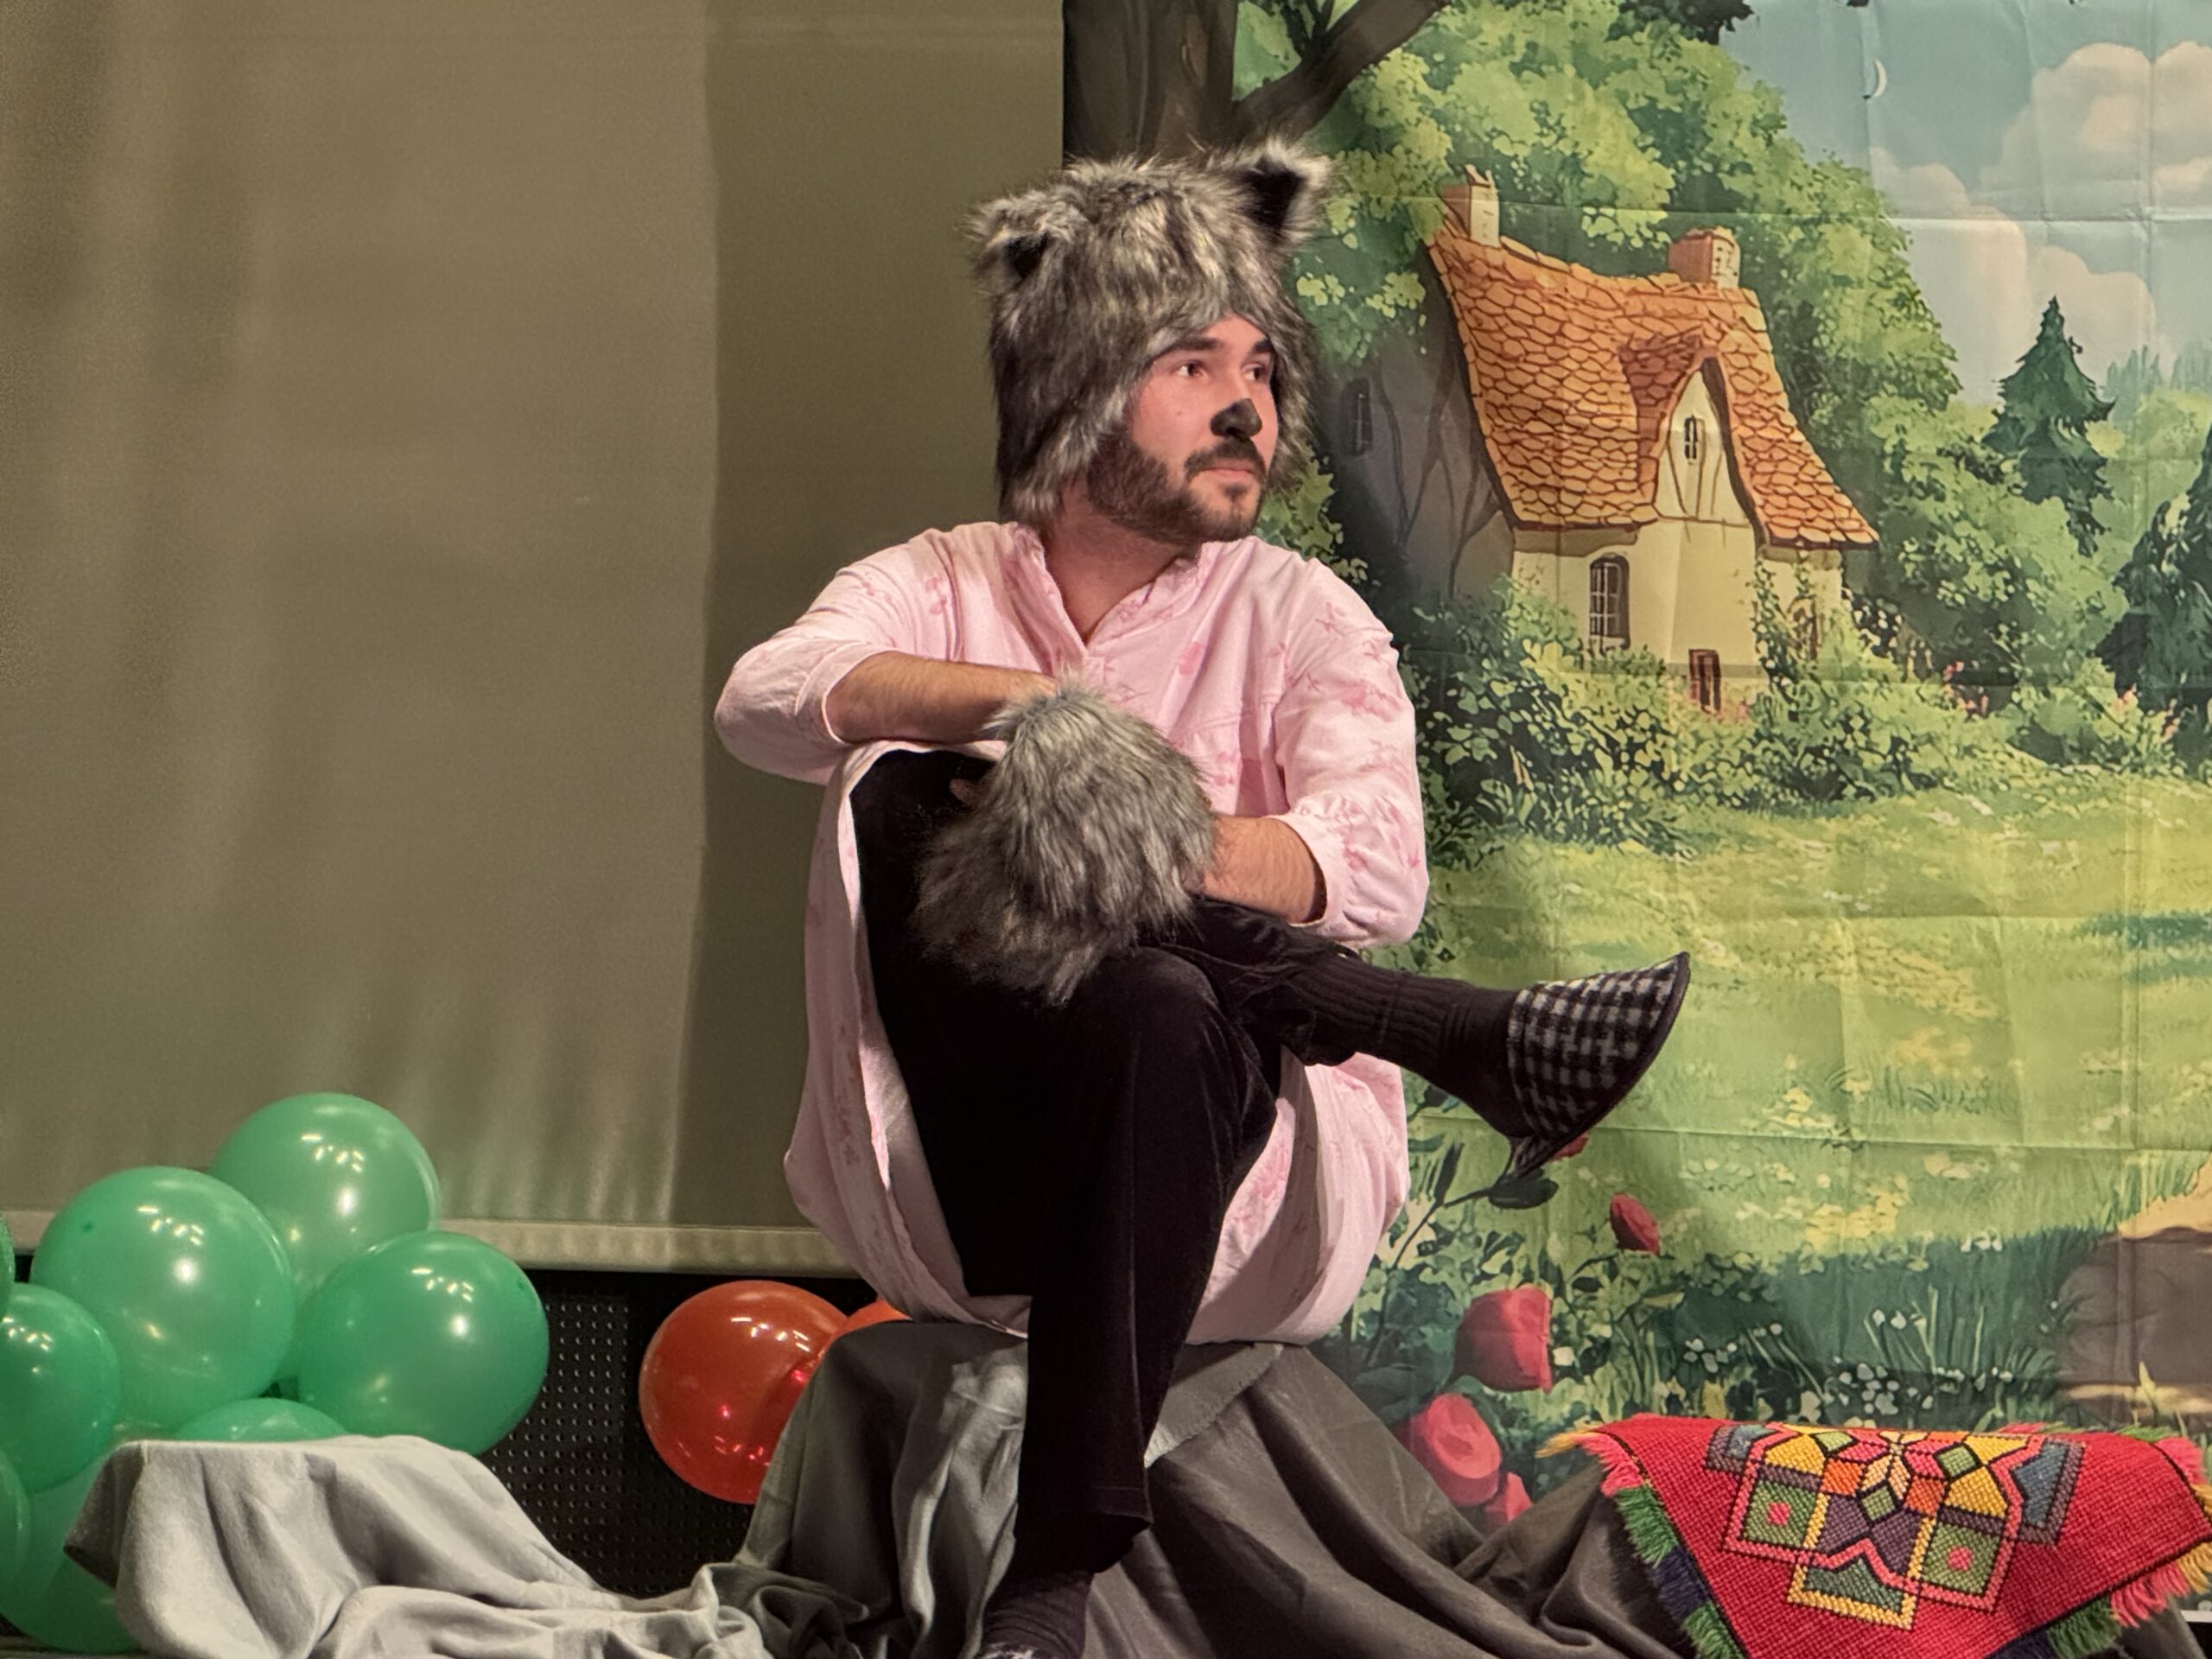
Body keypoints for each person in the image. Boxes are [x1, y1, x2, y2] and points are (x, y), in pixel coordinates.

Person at [715, 138, 1689, 1659]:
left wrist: (1124, 831)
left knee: (1158, 996)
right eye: (1193, 365)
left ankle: (1055, 1575)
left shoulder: (1305, 614)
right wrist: (1039, 720)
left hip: (1225, 1168)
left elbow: (1375, 860)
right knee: (904, 780)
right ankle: (1445, 1032)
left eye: (1263, 369)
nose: (1250, 406)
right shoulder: (941, 577)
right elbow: (766, 699)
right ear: (1076, 386)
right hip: (966, 1165)